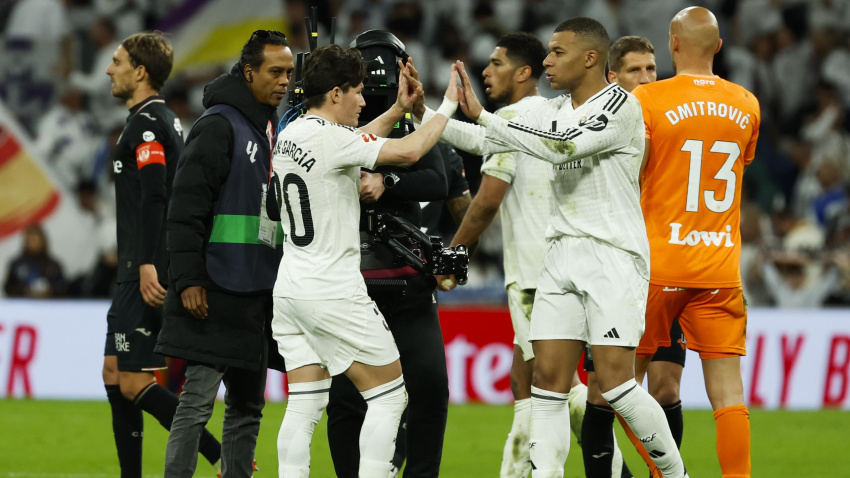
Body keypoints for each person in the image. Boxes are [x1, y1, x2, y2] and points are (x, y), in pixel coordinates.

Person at [415, 17, 689, 478]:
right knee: (547, 385)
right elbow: (487, 140)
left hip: (612, 254)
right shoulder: (553, 108)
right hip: (559, 257)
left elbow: (564, 148)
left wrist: (482, 113)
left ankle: (676, 474)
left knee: (617, 384)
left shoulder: (621, 106)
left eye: (557, 52)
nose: (546, 60)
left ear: (589, 58)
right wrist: (424, 112)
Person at [271, 44, 457, 477]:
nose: (361, 99)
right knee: (390, 396)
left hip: (291, 289)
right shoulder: (333, 140)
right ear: (335, 93)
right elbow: (411, 153)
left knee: (304, 404)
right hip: (333, 290)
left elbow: (353, 143)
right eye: (355, 91)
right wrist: (447, 106)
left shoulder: (292, 133)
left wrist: (396, 109)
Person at [154, 30, 294, 478]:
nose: (285, 81)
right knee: (195, 404)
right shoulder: (218, 124)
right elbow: (185, 208)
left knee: (248, 407)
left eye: (290, 73)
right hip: (215, 288)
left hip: (257, 289)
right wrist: (189, 279)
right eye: (275, 72)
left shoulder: (268, 126)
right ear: (249, 72)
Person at [630, 7, 761, 477]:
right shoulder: (747, 103)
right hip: (720, 269)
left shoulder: (649, 98)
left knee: (624, 385)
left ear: (673, 43)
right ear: (720, 47)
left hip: (657, 263)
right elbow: (738, 162)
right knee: (729, 396)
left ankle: (668, 474)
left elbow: (634, 171)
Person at [325, 30, 453, 478]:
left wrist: (386, 181)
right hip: (351, 282)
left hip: (405, 277)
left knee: (430, 387)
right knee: (345, 398)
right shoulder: (329, 121)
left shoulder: (409, 119)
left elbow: (437, 181)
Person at [101, 31, 222, 478]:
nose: (109, 70)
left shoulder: (148, 124)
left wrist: (150, 262)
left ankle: (219, 454)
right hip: (136, 265)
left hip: (143, 268)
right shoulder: (159, 119)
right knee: (114, 373)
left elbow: (156, 194)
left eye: (117, 61)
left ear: (141, 71)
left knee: (134, 380)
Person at [581, 35, 687, 478]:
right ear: (612, 78)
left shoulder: (669, 125)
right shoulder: (595, 128)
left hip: (664, 268)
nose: (646, 79)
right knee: (606, 391)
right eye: (634, 71)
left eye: (651, 69)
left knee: (664, 389)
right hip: (617, 273)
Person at [4, 223, 66, 298]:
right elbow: (8, 288)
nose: (33, 243)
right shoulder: (16, 264)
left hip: (49, 306)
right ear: (25, 242)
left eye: (36, 239)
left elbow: (63, 287)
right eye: (30, 240)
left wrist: (50, 291)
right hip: (22, 306)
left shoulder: (54, 265)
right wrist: (24, 291)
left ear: (43, 241)